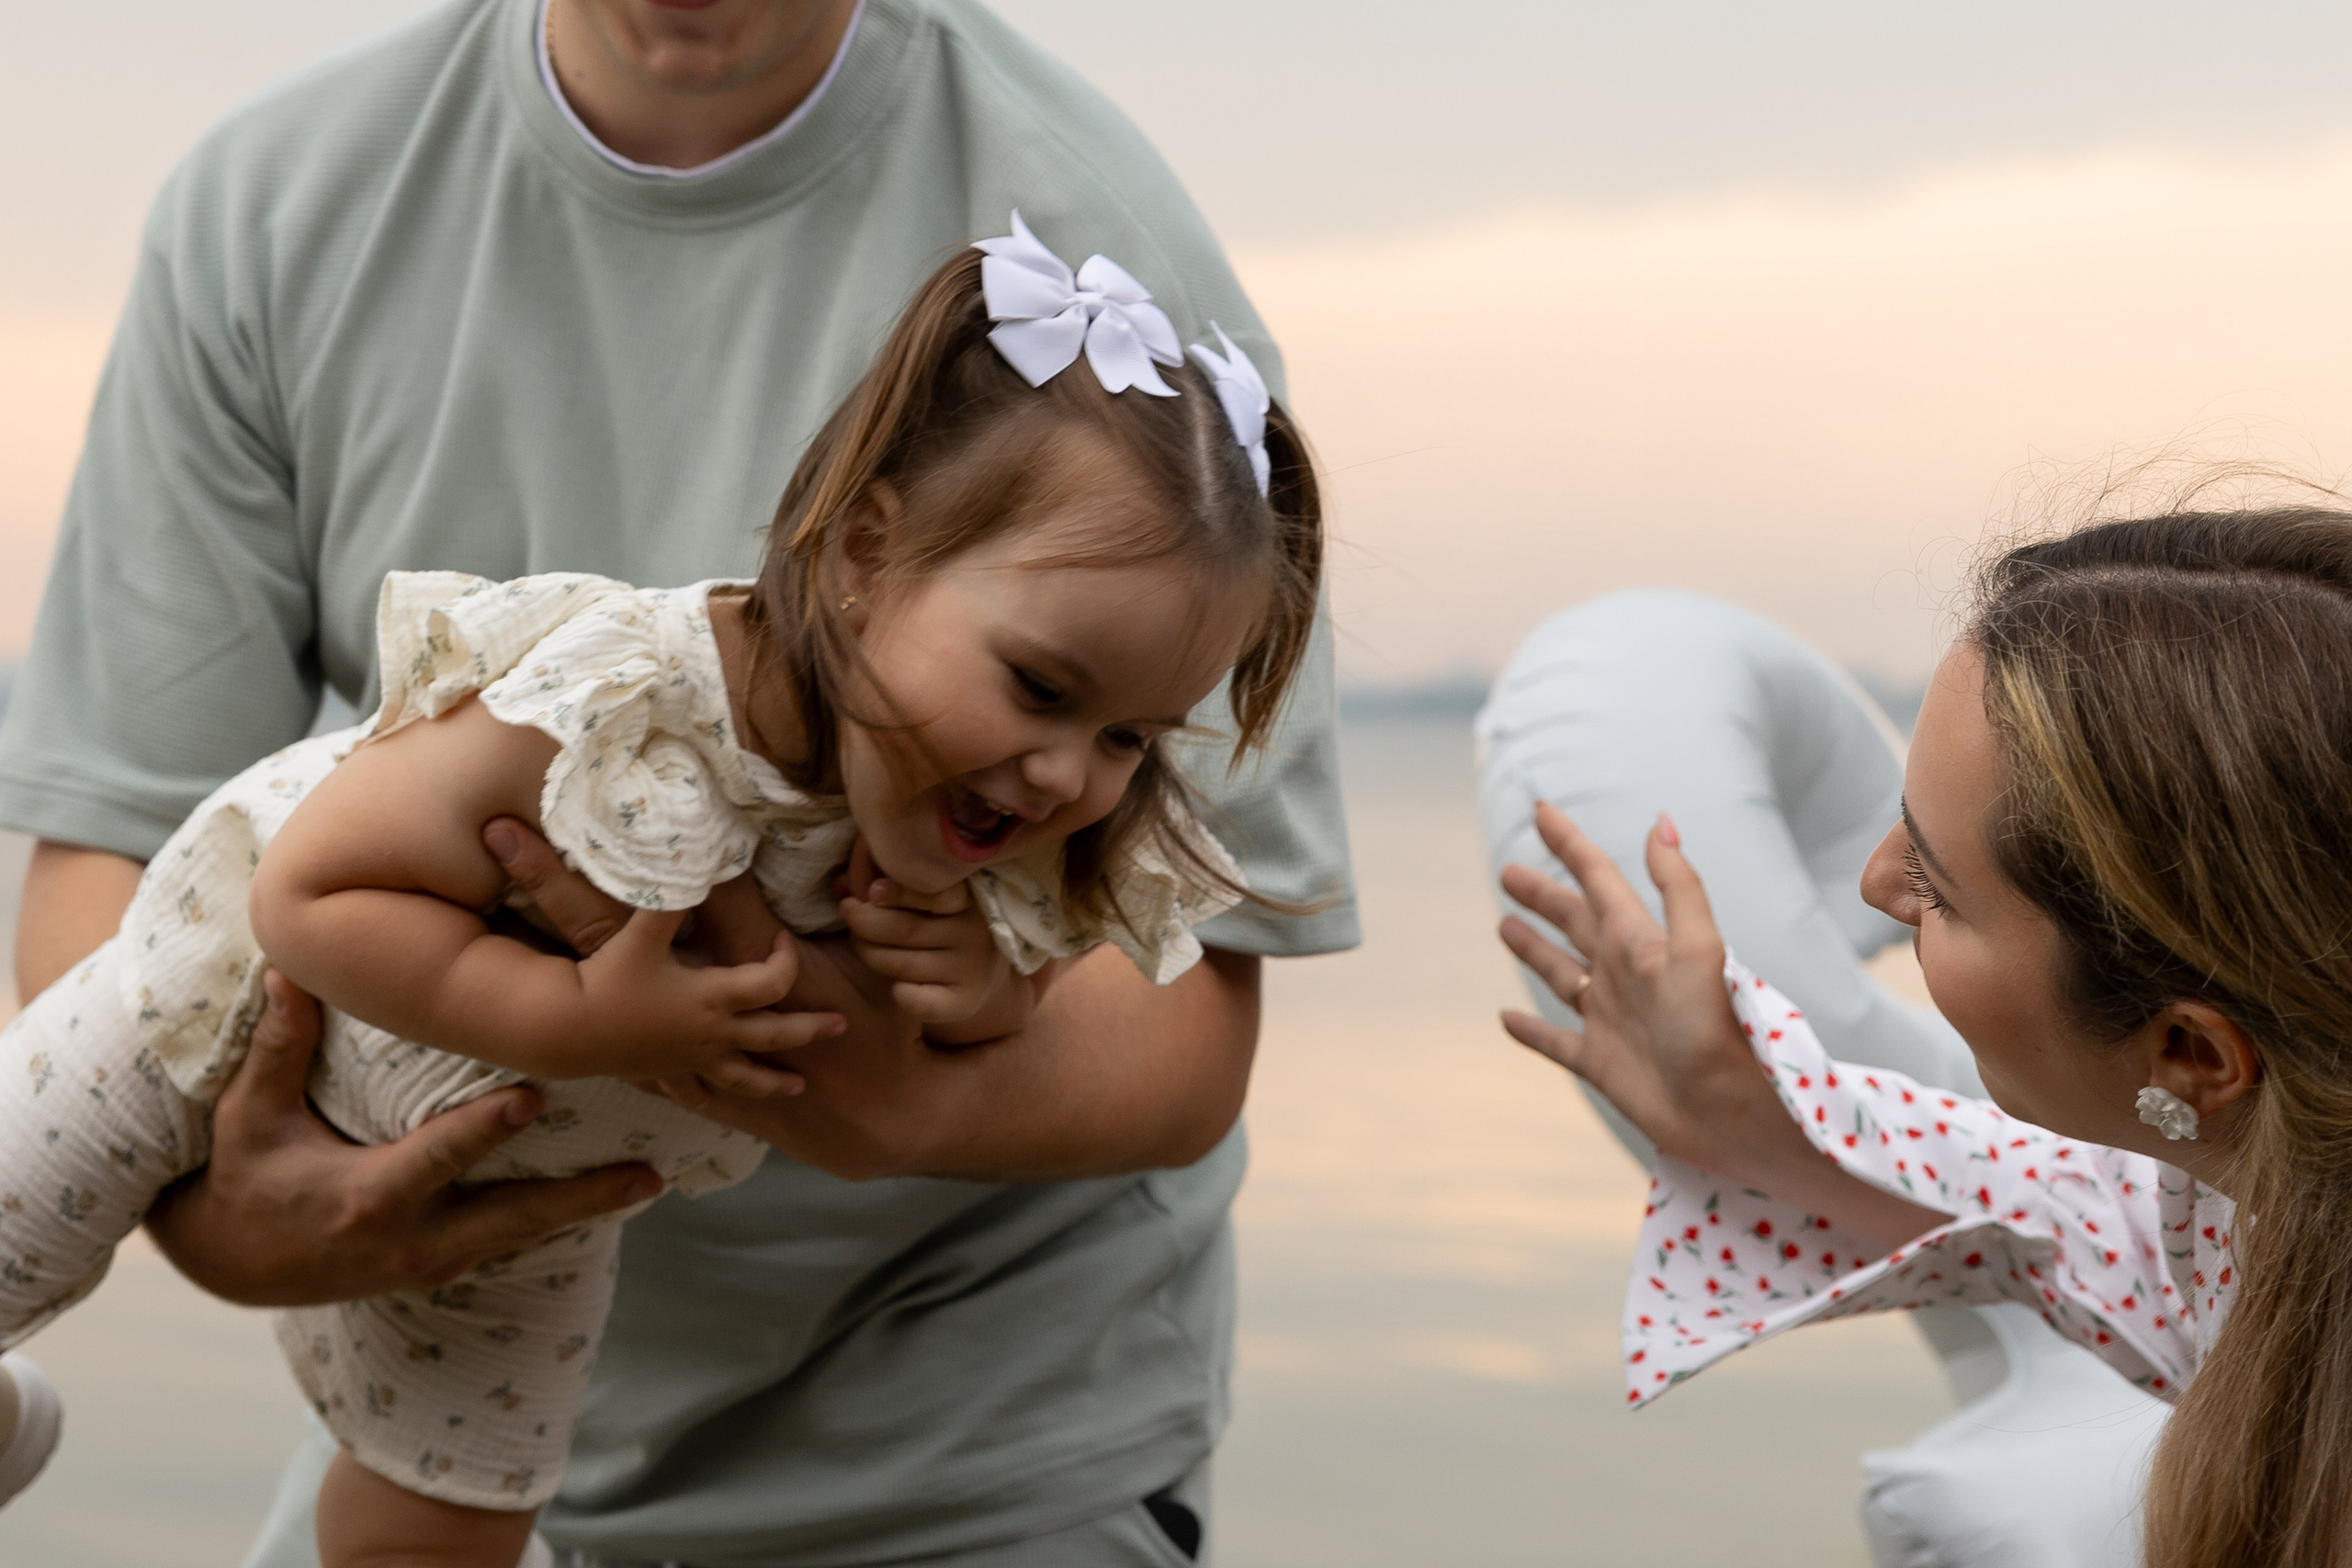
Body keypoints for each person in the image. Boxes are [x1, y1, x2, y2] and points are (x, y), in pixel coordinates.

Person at [0, 3, 1359, 1562]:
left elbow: (1188, 1022)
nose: (1077, 766)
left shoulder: (1105, 277)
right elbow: (126, 852)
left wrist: (905, 1073)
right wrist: (234, 1207)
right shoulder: (272, 209)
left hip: (968, 1459)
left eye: (1110, 729)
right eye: (1042, 692)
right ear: (855, 554)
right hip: (450, 1279)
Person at [1497, 506, 2352, 1568]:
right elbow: (2066, 1222)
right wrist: (1748, 1106)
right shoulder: (2268, 1207)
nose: (1873, 884)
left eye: (1940, 890)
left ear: (2192, 1057)